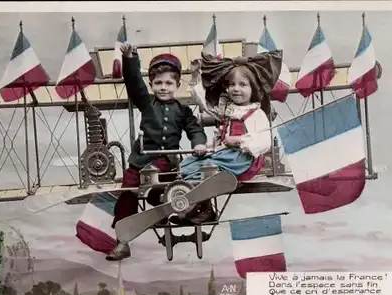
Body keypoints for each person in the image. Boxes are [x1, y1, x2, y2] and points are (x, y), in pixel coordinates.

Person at [104, 43, 208, 261]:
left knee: (163, 188)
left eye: (169, 83)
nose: (163, 87)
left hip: (164, 163)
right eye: (158, 83)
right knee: (128, 194)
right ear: (151, 85)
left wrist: (199, 143)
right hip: (140, 160)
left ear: (177, 85)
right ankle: (122, 241)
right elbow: (134, 84)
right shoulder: (146, 103)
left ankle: (165, 211)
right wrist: (131, 58)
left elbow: (194, 129)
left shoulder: (183, 110)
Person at [168, 50, 283, 226]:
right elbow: (203, 103)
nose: (236, 89)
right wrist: (195, 74)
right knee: (188, 164)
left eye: (243, 85)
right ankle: (190, 206)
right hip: (226, 155)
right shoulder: (229, 110)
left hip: (243, 159)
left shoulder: (256, 113)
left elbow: (264, 142)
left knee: (207, 170)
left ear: (253, 88)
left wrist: (238, 141)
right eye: (232, 85)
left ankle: (202, 209)